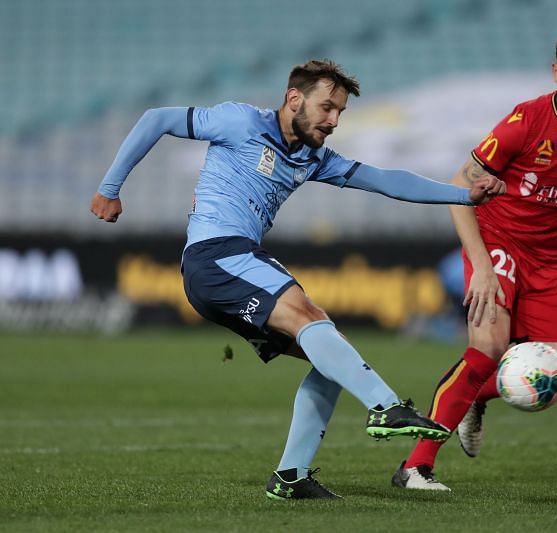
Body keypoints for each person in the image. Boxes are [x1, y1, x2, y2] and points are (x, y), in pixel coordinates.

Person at [90, 59, 506, 500]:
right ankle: (386, 407)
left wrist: (464, 194)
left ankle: (291, 476)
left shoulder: (312, 157)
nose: (333, 120)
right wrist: (110, 189)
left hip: (228, 266)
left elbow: (387, 181)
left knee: (331, 354)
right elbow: (157, 119)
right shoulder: (240, 120)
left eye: (340, 112)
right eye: (327, 107)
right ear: (294, 98)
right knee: (311, 318)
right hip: (216, 255)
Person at [390, 29, 557, 491]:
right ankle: (415, 467)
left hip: (549, 262)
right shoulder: (525, 122)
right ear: (555, 72)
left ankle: (473, 399)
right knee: (486, 350)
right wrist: (481, 264)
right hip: (497, 243)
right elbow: (460, 188)